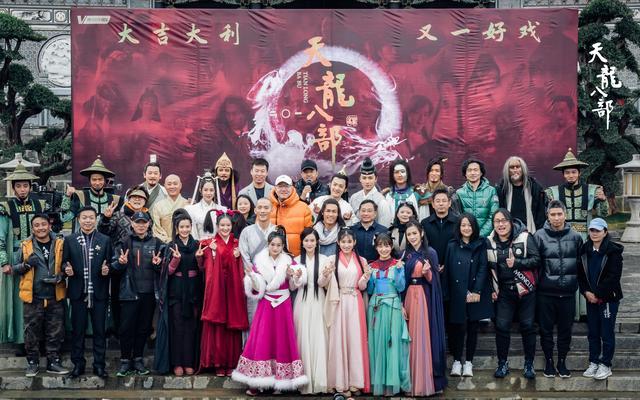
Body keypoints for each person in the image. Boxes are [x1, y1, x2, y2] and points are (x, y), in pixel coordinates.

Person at [232, 228, 308, 394]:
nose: (275, 248)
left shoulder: (289, 261)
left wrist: (294, 275)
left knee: (282, 339)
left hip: (283, 304)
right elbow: (257, 287)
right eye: (273, 244)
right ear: (268, 245)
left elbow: (295, 284)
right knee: (262, 338)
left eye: (279, 245)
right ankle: (257, 382)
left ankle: (280, 382)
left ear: (282, 246)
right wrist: (252, 277)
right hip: (266, 303)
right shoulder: (259, 262)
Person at [546, 148, 608, 320]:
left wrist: (603, 200)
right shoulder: (553, 192)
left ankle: (585, 311)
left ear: (579, 173)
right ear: (563, 174)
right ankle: (568, 312)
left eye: (574, 172)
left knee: (586, 272)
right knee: (566, 271)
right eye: (567, 172)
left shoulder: (593, 190)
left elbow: (603, 214)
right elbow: (548, 216)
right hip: (563, 236)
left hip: (586, 237)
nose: (571, 175)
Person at [3, 214, 68, 376]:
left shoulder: (60, 243)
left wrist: (61, 275)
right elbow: (14, 269)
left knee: (55, 330)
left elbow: (67, 264)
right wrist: (26, 265)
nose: (41, 228)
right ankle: (32, 362)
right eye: (37, 225)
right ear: (32, 229)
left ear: (49, 226)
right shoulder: (25, 245)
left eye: (43, 224)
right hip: (33, 296)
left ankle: (53, 362)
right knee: (31, 331)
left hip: (55, 294)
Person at [487, 209, 541, 380]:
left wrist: (517, 263)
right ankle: (502, 364)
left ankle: (529, 364)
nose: (500, 224)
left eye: (504, 220)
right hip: (503, 291)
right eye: (497, 221)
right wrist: (492, 289)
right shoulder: (489, 241)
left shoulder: (524, 237)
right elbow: (487, 269)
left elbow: (537, 260)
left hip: (525, 290)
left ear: (510, 222)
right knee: (502, 326)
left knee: (527, 325)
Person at [534, 200, 583, 378]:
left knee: (565, 330)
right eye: (553, 214)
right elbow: (535, 264)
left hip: (568, 293)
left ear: (565, 215)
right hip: (545, 293)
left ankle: (562, 361)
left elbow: (580, 264)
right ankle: (549, 361)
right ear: (548, 216)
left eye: (559, 214)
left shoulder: (576, 237)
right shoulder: (539, 236)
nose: (556, 218)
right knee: (545, 330)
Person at [111, 211, 164, 377]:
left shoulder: (157, 243)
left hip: (149, 293)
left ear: (149, 224)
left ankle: (138, 360)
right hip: (129, 293)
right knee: (126, 328)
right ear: (132, 224)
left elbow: (164, 269)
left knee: (143, 328)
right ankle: (125, 361)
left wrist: (158, 265)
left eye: (144, 222)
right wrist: (120, 263)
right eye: (137, 222)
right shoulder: (124, 242)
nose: (141, 225)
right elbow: (113, 267)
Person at [63, 206, 113, 378]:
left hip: (99, 292)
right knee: (78, 331)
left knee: (100, 331)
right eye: (84, 217)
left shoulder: (105, 240)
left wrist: (108, 269)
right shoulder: (69, 240)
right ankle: (78, 364)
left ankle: (99, 365)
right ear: (79, 219)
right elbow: (63, 263)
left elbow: (111, 263)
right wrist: (66, 269)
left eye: (91, 217)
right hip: (78, 293)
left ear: (96, 219)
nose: (88, 221)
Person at [0, 163, 46, 347]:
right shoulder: (6, 207)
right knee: (19, 298)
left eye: (25, 185)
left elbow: (62, 220)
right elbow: (0, 236)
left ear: (30, 187)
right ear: (13, 188)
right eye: (18, 186)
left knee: (39, 296)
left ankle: (39, 339)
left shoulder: (40, 204)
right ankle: (21, 339)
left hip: (38, 255)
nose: (22, 189)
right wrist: (4, 262)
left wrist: (68, 198)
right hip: (16, 256)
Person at [320, 227, 371, 397]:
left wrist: (365, 278)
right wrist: (325, 274)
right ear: (338, 242)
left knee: (355, 340)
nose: (347, 245)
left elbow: (362, 287)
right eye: (343, 241)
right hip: (339, 300)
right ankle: (340, 382)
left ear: (354, 242)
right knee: (338, 340)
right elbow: (321, 283)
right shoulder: (331, 259)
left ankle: (356, 381)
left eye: (349, 241)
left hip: (355, 300)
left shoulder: (361, 260)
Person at [154, 210, 204, 376]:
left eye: (187, 226)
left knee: (191, 328)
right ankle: (177, 363)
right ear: (176, 228)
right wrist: (175, 260)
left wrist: (199, 259)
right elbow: (166, 273)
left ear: (191, 227)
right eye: (181, 227)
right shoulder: (170, 246)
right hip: (176, 292)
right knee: (177, 328)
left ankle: (189, 362)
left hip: (193, 291)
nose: (184, 230)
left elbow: (203, 270)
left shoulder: (197, 245)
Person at [442, 213, 492, 378]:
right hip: (457, 293)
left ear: (474, 227)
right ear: (459, 227)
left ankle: (469, 362)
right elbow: (448, 271)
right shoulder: (452, 245)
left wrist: (476, 291)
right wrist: (447, 293)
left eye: (469, 225)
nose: (466, 228)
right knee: (457, 328)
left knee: (472, 328)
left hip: (474, 293)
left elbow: (483, 268)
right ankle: (457, 361)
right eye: (463, 225)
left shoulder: (481, 243)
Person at [200, 211, 248, 376]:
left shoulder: (237, 244)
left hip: (233, 289)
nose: (225, 228)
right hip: (217, 289)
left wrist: (239, 256)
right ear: (217, 226)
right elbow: (203, 265)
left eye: (228, 225)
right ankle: (218, 363)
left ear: (232, 226)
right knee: (218, 325)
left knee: (232, 325)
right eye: (222, 225)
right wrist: (211, 253)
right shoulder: (210, 243)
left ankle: (231, 362)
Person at [401, 220, 447, 395]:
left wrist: (427, 272)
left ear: (421, 233)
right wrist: (401, 303)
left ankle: (425, 381)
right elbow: (401, 281)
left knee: (423, 336)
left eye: (414, 233)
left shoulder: (430, 253)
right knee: (409, 337)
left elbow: (435, 282)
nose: (412, 237)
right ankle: (409, 380)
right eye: (409, 234)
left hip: (424, 297)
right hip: (408, 297)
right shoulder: (405, 254)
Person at [98, 185, 149, 336]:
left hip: (139, 264)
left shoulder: (148, 217)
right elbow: (104, 231)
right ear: (128, 199)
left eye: (141, 198)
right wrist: (106, 218)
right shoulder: (118, 215)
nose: (137, 200)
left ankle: (135, 331)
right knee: (116, 297)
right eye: (134, 197)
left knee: (136, 298)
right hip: (119, 261)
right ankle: (117, 329)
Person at [578, 218, 623, 381]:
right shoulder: (584, 250)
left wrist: (596, 294)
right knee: (593, 332)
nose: (594, 233)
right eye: (592, 230)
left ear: (605, 232)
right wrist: (586, 292)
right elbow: (581, 276)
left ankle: (606, 364)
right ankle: (594, 362)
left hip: (608, 299)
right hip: (591, 299)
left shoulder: (613, 251)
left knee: (606, 332)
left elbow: (613, 277)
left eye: (598, 230)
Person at [367, 233, 411, 396]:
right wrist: (367, 276)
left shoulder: (397, 264)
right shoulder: (371, 266)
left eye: (386, 246)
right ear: (376, 247)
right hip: (376, 307)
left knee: (392, 344)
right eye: (380, 246)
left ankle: (393, 383)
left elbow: (400, 287)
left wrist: (399, 271)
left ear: (391, 247)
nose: (383, 249)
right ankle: (379, 382)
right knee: (377, 344)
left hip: (393, 306)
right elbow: (370, 290)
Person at [292, 228, 330, 394]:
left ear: (317, 242)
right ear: (302, 242)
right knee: (302, 335)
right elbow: (293, 286)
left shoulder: (324, 259)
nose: (309, 243)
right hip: (302, 300)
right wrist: (296, 277)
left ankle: (319, 380)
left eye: (312, 240)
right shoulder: (295, 260)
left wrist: (325, 275)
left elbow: (322, 284)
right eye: (306, 240)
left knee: (318, 335)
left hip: (319, 299)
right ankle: (302, 380)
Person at [61, 156, 122, 232]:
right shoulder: (81, 196)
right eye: (94, 179)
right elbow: (65, 218)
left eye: (100, 179)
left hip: (107, 238)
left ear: (105, 180)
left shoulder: (115, 200)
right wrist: (67, 196)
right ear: (89, 181)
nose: (97, 183)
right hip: (84, 237)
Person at [496, 156, 547, 234]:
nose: (515, 170)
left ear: (523, 169)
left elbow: (540, 214)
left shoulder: (534, 187)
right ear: (507, 171)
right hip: (509, 232)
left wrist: (538, 233)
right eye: (512, 167)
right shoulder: (502, 189)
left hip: (530, 231)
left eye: (518, 167)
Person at [269, 175, 313, 257]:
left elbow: (310, 236)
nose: (283, 189)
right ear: (275, 188)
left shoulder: (303, 207)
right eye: (280, 186)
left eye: (286, 186)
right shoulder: (267, 207)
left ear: (292, 188)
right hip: (272, 259)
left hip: (297, 258)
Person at [456, 159, 499, 237]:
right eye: (469, 170)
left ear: (481, 173)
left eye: (475, 170)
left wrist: (480, 235)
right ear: (465, 174)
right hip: (466, 237)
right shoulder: (459, 193)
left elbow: (493, 216)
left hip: (486, 237)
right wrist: (467, 234)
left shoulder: (491, 191)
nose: (472, 173)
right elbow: (458, 216)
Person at [422, 188, 459, 273]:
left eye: (444, 201)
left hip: (452, 267)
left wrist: (447, 264)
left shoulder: (457, 222)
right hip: (430, 268)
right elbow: (424, 246)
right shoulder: (425, 223)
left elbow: (458, 246)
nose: (441, 204)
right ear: (433, 204)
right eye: (438, 201)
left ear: (449, 203)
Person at [349, 157, 393, 227]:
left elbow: (384, 228)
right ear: (360, 179)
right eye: (364, 178)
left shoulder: (381, 201)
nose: (367, 182)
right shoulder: (353, 198)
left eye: (370, 178)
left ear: (376, 179)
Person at [151, 174, 189, 243]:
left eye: (175, 184)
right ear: (165, 186)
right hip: (165, 244)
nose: (172, 186)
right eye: (169, 184)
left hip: (185, 243)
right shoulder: (158, 206)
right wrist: (168, 241)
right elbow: (157, 228)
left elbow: (192, 227)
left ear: (180, 185)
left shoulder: (188, 205)